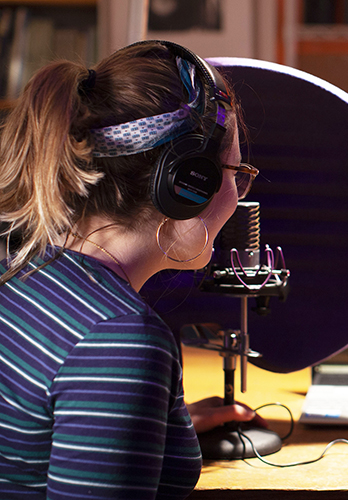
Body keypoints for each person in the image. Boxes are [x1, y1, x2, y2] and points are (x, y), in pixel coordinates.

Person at [0, 40, 265, 498]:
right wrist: (127, 378)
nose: (238, 195)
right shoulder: (121, 340)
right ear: (189, 182)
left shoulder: (18, 276)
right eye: (236, 172)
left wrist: (132, 415)